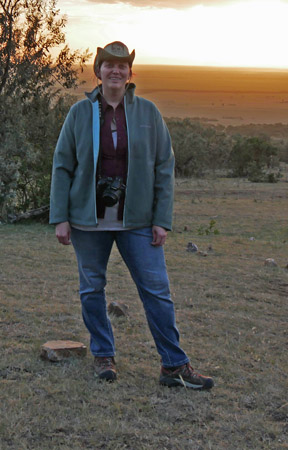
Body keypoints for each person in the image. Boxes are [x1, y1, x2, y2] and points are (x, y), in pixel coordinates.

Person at [49, 41, 214, 389]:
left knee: (156, 289)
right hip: (86, 220)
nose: (115, 71)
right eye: (109, 65)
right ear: (98, 71)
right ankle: (103, 355)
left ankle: (173, 365)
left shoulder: (148, 113)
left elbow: (164, 166)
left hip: (136, 220)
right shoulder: (79, 114)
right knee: (91, 289)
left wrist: (161, 219)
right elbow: (63, 165)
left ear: (130, 73)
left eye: (122, 66)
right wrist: (59, 217)